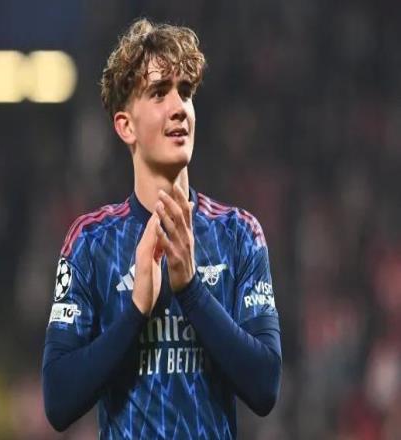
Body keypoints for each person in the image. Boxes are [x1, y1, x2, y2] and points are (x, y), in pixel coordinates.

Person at [42, 18, 282, 439]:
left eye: (185, 92)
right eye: (159, 92)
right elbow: (59, 400)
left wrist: (191, 290)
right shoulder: (90, 242)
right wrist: (136, 310)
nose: (179, 107)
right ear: (126, 126)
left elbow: (265, 386)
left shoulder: (239, 234)